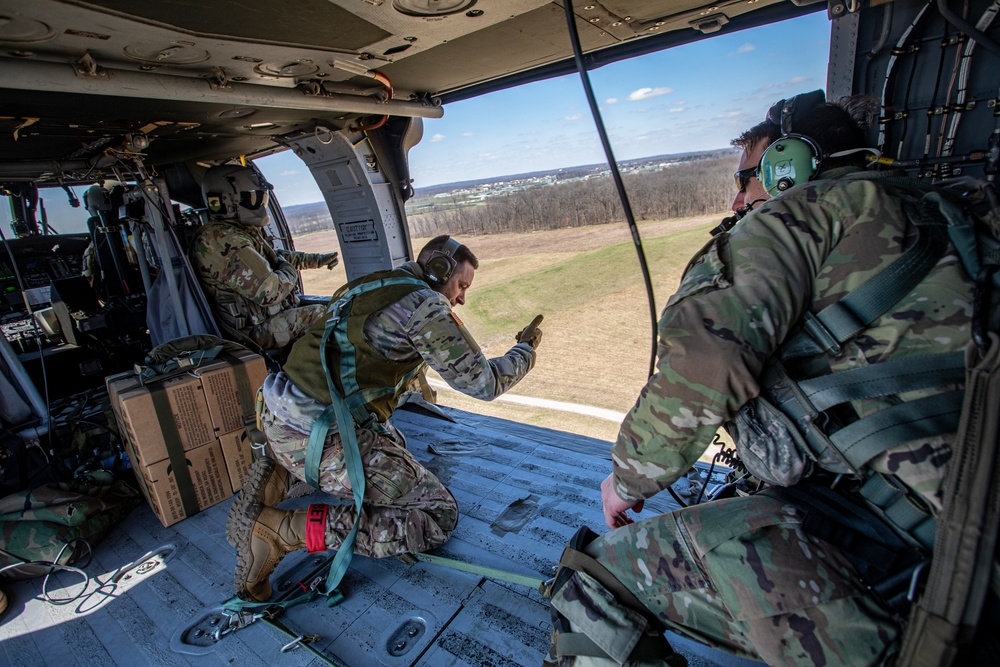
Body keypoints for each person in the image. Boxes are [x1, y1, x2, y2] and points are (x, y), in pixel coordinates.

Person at [548, 91, 983, 666]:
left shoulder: (797, 216)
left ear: (789, 168)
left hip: (919, 562)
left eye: (747, 178)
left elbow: (704, 367)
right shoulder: (965, 215)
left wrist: (626, 482)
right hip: (970, 532)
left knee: (593, 580)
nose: (738, 197)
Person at [228, 235, 543, 602]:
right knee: (436, 515)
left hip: (277, 411)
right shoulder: (423, 305)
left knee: (394, 444)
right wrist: (525, 351)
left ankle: (278, 473)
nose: (461, 298)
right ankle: (282, 530)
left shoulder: (371, 285)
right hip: (316, 433)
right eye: (461, 286)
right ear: (440, 271)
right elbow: (484, 383)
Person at [190, 163, 340, 350]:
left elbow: (275, 259)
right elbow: (271, 292)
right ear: (227, 202)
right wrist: (290, 271)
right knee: (325, 314)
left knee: (338, 303)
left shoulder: (237, 232)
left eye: (262, 198)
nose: (260, 205)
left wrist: (317, 260)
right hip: (248, 334)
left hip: (266, 319)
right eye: (252, 198)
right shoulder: (223, 242)